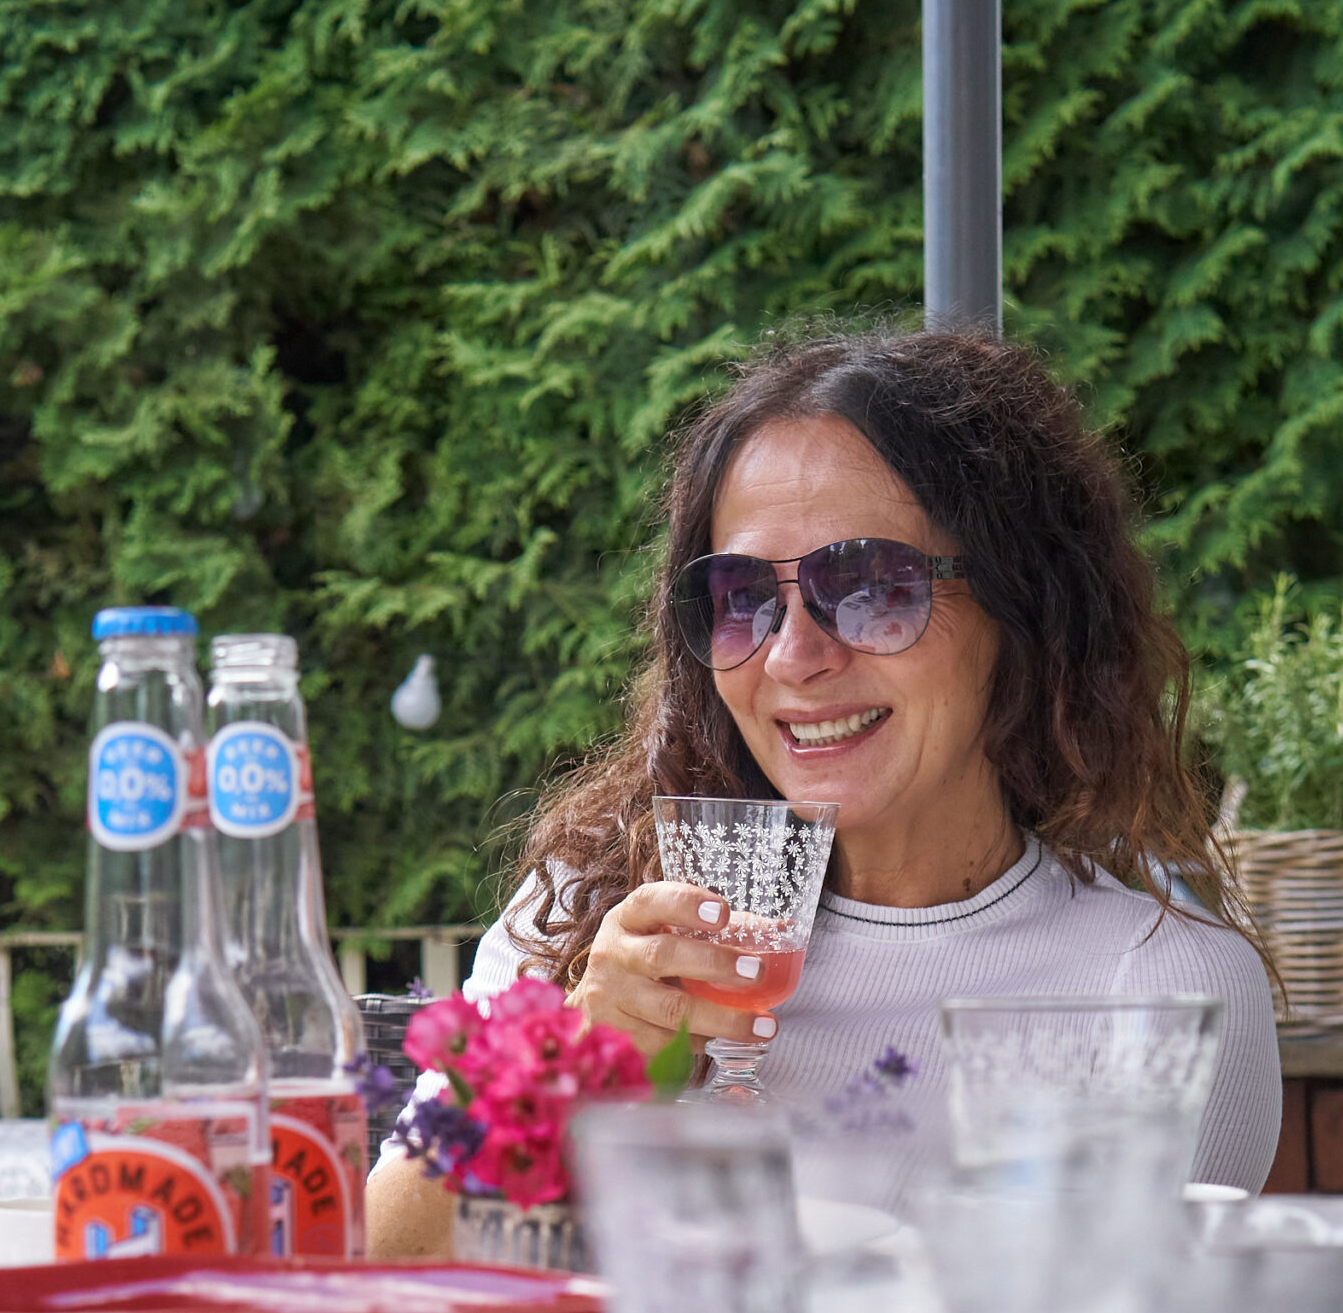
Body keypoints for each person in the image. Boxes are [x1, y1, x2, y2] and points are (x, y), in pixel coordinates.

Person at [368, 328, 1281, 1257]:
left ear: (1023, 608)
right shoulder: (589, 910)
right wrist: (569, 1065)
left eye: (873, 587)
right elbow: (387, 1258)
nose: (793, 656)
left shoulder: (1155, 994)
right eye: (741, 597)